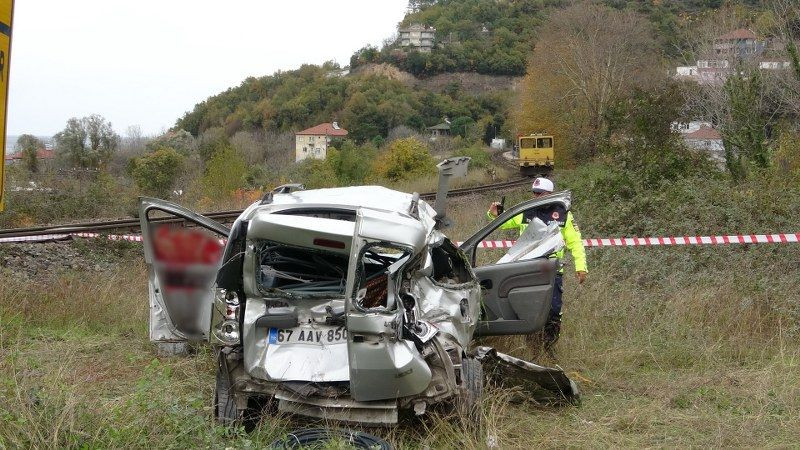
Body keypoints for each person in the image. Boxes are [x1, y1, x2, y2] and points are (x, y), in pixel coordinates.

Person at [486, 177, 587, 350]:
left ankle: (549, 346)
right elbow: (501, 223)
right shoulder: (525, 211)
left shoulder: (563, 214)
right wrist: (493, 214)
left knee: (553, 311)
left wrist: (581, 267)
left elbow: (575, 242)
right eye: (534, 193)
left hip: (552, 270)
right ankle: (532, 347)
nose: (536, 196)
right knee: (528, 310)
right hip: (527, 269)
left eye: (540, 193)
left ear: (550, 194)